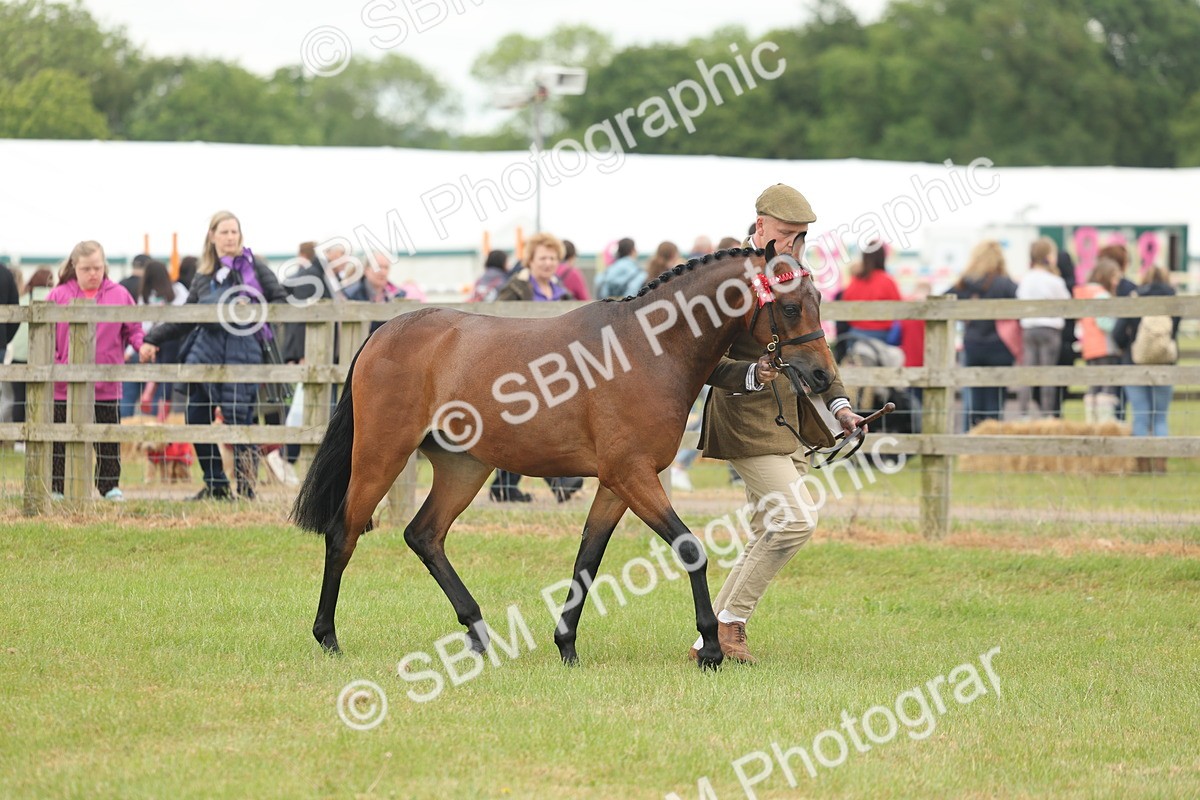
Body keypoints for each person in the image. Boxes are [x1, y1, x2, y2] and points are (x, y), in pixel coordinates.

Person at [690, 184, 866, 664]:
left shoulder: (799, 279)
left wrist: (842, 407)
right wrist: (749, 373)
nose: (792, 244)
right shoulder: (729, 282)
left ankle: (711, 637)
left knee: (770, 527)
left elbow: (816, 350)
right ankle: (731, 624)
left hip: (791, 425)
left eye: (801, 236)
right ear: (761, 226)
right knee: (795, 521)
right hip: (744, 422)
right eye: (785, 234)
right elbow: (698, 362)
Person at [139, 211, 288, 501]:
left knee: (239, 420)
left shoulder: (254, 268)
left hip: (243, 353)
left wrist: (255, 310)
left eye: (235, 232)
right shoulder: (204, 275)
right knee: (196, 416)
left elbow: (280, 301)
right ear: (212, 236)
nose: (231, 237)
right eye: (225, 232)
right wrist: (152, 338)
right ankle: (216, 485)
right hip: (205, 354)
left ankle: (246, 490)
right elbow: (187, 316)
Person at [489, 232, 583, 503]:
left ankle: (508, 487)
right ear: (530, 260)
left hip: (555, 368)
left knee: (541, 424)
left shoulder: (561, 292)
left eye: (553, 258)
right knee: (528, 423)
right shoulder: (514, 289)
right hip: (520, 366)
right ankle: (553, 483)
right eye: (543, 257)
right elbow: (496, 323)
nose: (548, 263)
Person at [48, 241, 144, 501]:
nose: (93, 274)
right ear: (74, 268)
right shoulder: (59, 296)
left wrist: (141, 346)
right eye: (86, 268)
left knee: (107, 437)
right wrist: (56, 361)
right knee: (60, 438)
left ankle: (108, 487)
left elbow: (134, 328)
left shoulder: (120, 294)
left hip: (107, 383)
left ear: (105, 267)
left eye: (97, 268)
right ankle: (57, 488)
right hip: (63, 384)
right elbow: (43, 333)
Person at [1113, 266, 1180, 473]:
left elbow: (1117, 333)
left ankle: (1141, 465)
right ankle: (1160, 465)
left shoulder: (1135, 297)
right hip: (1164, 364)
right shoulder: (1173, 300)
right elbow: (1173, 332)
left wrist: (1128, 346)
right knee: (1160, 417)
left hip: (1135, 362)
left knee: (1140, 415)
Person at [947, 240, 1018, 430]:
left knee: (972, 401)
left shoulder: (965, 283)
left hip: (973, 345)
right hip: (1000, 347)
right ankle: (991, 446)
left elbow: (943, 302)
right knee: (995, 401)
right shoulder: (1005, 284)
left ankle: (970, 444)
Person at [1015, 237, 1071, 418]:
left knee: (1028, 371)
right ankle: (1048, 414)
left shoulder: (1026, 279)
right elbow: (1066, 302)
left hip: (1029, 328)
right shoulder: (1054, 280)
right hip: (1050, 329)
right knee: (1048, 373)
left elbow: (1019, 298)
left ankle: (1023, 413)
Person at [136, 259, 189, 418]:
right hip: (173, 337)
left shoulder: (145, 295)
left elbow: (143, 322)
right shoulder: (177, 290)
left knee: (158, 366)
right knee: (168, 374)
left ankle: (149, 390)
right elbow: (186, 311)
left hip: (154, 337)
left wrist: (147, 340)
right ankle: (162, 413)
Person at [1073, 259, 1123, 423]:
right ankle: (1104, 421)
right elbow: (1103, 322)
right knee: (1107, 384)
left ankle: (1091, 420)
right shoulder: (1102, 295)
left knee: (1094, 384)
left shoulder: (1084, 294)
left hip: (1090, 347)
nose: (1116, 282)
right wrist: (1119, 326)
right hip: (1105, 346)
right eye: (1114, 277)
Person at [6, 268, 53, 427]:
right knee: (41, 398)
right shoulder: (53, 298)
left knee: (19, 398)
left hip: (18, 355)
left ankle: (19, 439)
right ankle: (38, 430)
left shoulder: (24, 298)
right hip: (43, 356)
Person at [838, 240, 902, 342]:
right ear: (882, 257)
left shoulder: (856, 281)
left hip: (855, 334)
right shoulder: (888, 281)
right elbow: (900, 309)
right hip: (882, 336)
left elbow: (845, 301)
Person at [344, 251, 405, 334]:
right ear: (366, 270)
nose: (382, 272)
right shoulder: (350, 295)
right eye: (378, 267)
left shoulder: (398, 295)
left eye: (386, 267)